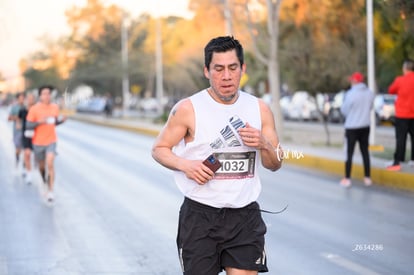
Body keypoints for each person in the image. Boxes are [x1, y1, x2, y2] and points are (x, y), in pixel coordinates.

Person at [152, 36, 283, 275]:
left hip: (244, 217)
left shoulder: (260, 109)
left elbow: (275, 163)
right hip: (200, 217)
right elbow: (159, 149)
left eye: (233, 68)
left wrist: (264, 145)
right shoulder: (188, 109)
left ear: (242, 69)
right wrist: (186, 165)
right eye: (218, 69)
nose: (226, 76)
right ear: (207, 71)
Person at [26, 85, 66, 202]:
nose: (47, 96)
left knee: (50, 163)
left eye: (49, 93)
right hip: (38, 142)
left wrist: (61, 121)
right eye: (44, 94)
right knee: (42, 166)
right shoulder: (34, 109)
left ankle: (51, 190)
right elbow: (28, 125)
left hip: (51, 140)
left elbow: (54, 122)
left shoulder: (55, 107)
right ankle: (44, 180)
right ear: (40, 96)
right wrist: (39, 122)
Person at [339, 72, 374, 187]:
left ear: (354, 81)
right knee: (365, 152)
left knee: (349, 153)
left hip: (352, 127)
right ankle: (367, 178)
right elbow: (371, 107)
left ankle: (347, 179)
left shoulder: (350, 94)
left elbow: (344, 110)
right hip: (365, 126)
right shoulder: (370, 93)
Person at [387, 59, 414, 171]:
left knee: (401, 139)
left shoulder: (400, 80)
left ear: (405, 68)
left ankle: (399, 161)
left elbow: (391, 90)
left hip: (402, 115)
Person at [18, 93, 36, 184]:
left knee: (35, 155)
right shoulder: (23, 110)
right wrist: (18, 125)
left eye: (31, 99)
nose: (30, 100)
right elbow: (19, 119)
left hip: (36, 135)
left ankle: (26, 165)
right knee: (27, 153)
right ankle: (29, 173)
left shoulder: (37, 110)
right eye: (28, 99)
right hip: (26, 134)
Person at [7, 92, 25, 169]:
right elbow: (9, 118)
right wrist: (17, 118)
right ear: (17, 99)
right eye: (20, 98)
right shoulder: (14, 108)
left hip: (25, 131)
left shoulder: (26, 107)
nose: (22, 100)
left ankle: (25, 167)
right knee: (18, 149)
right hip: (17, 131)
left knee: (26, 150)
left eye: (23, 98)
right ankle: (17, 159)